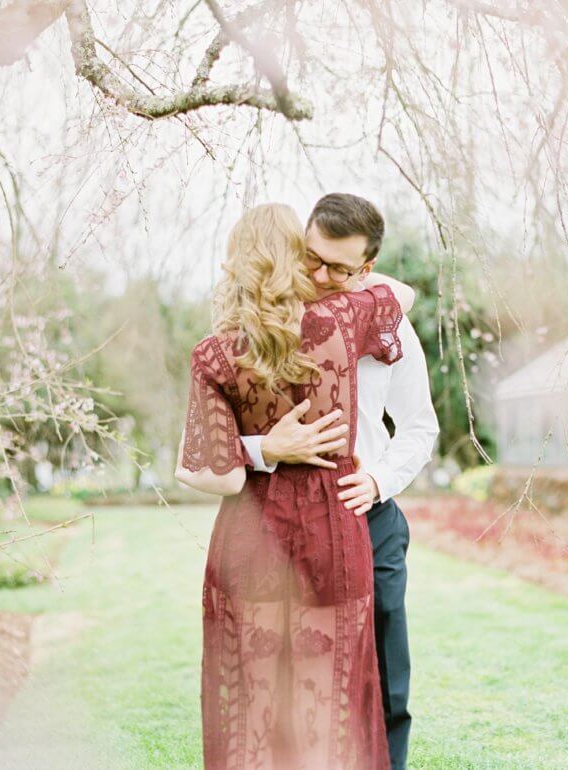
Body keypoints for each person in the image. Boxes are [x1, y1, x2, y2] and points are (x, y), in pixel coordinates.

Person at [175, 202, 415, 770]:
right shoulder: (342, 322)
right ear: (297, 261)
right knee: (332, 703)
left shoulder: (214, 354)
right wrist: (351, 279)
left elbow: (214, 473)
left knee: (255, 706)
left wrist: (262, 451)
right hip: (332, 532)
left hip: (251, 539)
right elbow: (401, 295)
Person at [238, 193, 439, 770]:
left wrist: (377, 481)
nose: (320, 276)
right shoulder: (268, 322)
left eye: (339, 268)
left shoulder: (387, 328)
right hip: (285, 526)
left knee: (385, 685)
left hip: (368, 521)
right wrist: (263, 452)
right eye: (312, 258)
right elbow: (218, 429)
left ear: (367, 269)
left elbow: (420, 427)